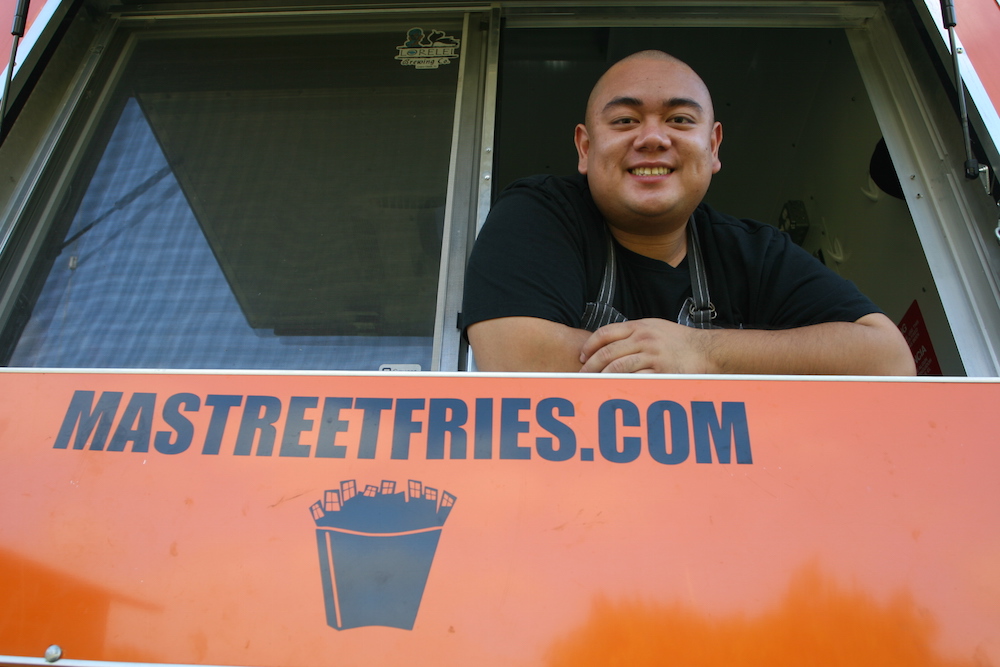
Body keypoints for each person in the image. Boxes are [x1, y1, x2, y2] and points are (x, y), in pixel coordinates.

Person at [462, 50, 916, 375]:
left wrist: (702, 352)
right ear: (584, 148)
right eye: (625, 121)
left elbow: (887, 360)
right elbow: (518, 360)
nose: (653, 138)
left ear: (713, 146)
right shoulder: (541, 213)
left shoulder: (755, 252)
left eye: (680, 120)